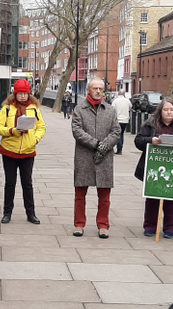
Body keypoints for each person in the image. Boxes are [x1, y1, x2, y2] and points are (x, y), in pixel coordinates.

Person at [72, 78, 120, 239]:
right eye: (95, 88)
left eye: (100, 88)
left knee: (104, 196)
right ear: (88, 90)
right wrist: (96, 144)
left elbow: (116, 131)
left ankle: (103, 225)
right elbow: (77, 131)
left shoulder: (111, 110)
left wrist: (104, 146)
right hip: (84, 157)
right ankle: (79, 224)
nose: (98, 91)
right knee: (80, 194)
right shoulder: (79, 109)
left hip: (105, 158)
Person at [0, 79, 46, 224]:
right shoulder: (7, 109)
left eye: (25, 93)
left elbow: (41, 127)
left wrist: (35, 139)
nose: (23, 96)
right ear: (14, 94)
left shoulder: (34, 108)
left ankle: (31, 213)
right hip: (9, 150)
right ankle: (7, 212)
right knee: (10, 183)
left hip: (28, 151)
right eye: (19, 93)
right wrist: (12, 131)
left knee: (27, 183)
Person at [134, 98, 173, 239]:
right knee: (152, 196)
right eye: (166, 109)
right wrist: (151, 140)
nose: (169, 112)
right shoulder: (150, 124)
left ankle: (171, 228)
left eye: (171, 110)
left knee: (172, 198)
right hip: (153, 165)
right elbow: (138, 140)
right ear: (160, 111)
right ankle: (150, 227)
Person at [112, 89, 132, 155]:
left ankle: (119, 149)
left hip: (118, 120)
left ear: (118, 94)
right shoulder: (127, 101)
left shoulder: (115, 101)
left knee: (118, 135)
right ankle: (120, 148)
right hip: (125, 120)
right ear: (124, 94)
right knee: (121, 134)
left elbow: (112, 109)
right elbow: (130, 107)